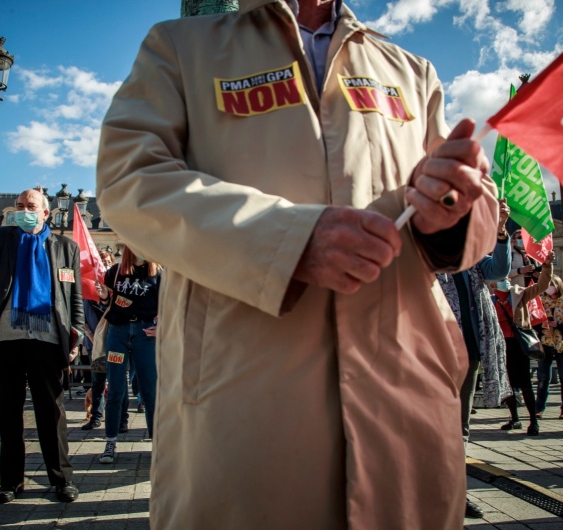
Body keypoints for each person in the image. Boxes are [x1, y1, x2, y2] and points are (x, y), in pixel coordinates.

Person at [95, 1, 499, 529]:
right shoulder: (182, 47)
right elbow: (128, 181)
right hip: (241, 414)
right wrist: (290, 241)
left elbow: (477, 213)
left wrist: (450, 206)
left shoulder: (410, 70)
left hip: (407, 409)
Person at [0, 182, 83, 504]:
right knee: (8, 411)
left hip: (48, 337)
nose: (23, 211)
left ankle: (61, 479)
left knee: (51, 412)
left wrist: (76, 329)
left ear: (46, 212)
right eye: (19, 205)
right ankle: (11, 481)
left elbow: (72, 293)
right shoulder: (0, 238)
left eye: (30, 206)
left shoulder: (66, 247)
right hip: (6, 336)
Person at [437, 199, 511, 519]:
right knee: (432, 427)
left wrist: (500, 231)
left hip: (470, 353)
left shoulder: (473, 256)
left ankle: (457, 496)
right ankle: (429, 490)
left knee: (459, 429)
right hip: (436, 356)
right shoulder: (428, 258)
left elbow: (499, 270)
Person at [98, 246, 161, 464]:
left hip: (146, 335)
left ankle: (157, 445)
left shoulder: (159, 274)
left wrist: (161, 325)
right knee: (116, 388)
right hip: (119, 333)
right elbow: (107, 303)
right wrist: (105, 297)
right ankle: (110, 441)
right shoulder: (115, 271)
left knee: (150, 391)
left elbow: (168, 305)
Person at [493, 251, 555, 436]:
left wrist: (546, 266)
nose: (503, 280)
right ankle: (515, 418)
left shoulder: (519, 294)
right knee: (507, 384)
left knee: (525, 383)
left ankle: (533, 421)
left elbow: (542, 285)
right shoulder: (489, 298)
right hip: (501, 345)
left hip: (519, 344)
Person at [80, 248, 117, 430]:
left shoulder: (116, 288)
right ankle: (96, 416)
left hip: (115, 340)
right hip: (95, 343)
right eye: (102, 264)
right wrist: (91, 335)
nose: (105, 267)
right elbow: (81, 315)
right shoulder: (87, 287)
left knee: (116, 380)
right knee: (98, 380)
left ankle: (118, 417)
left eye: (109, 263)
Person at [536, 276, 563, 420]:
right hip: (546, 344)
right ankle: (539, 408)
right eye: (548, 285)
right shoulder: (541, 304)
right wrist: (542, 330)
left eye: (552, 285)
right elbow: (534, 323)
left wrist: (558, 326)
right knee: (543, 378)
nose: (549, 288)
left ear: (559, 286)